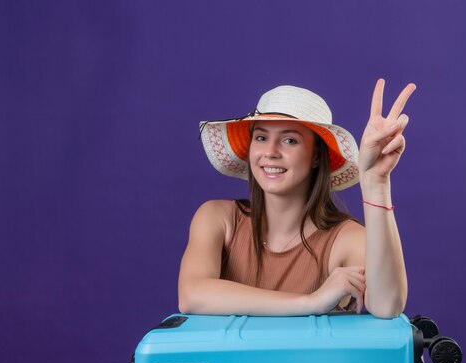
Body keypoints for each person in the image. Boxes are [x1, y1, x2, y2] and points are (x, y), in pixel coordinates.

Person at [178, 80, 416, 318]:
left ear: (316, 156)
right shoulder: (218, 219)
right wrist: (311, 302)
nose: (270, 152)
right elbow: (191, 295)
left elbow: (387, 305)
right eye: (261, 138)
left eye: (289, 140)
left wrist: (377, 184)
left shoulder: (346, 239)